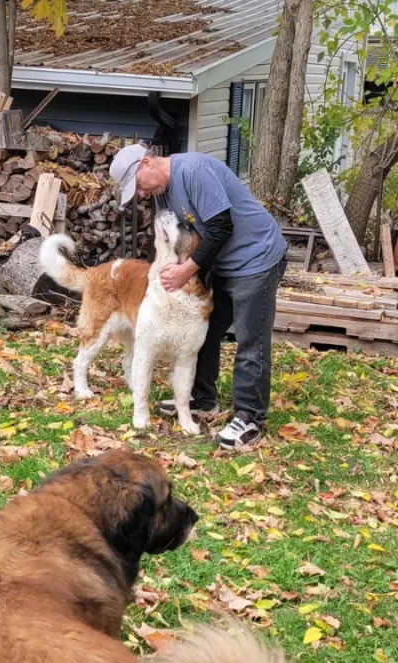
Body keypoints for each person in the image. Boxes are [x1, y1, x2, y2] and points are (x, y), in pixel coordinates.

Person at [109, 144, 287, 450]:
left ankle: (250, 419)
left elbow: (221, 227)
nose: (140, 194)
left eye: (138, 185)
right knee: (206, 334)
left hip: (256, 258)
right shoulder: (161, 191)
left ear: (147, 163)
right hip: (220, 264)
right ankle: (204, 400)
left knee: (250, 340)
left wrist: (185, 271)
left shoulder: (194, 172)